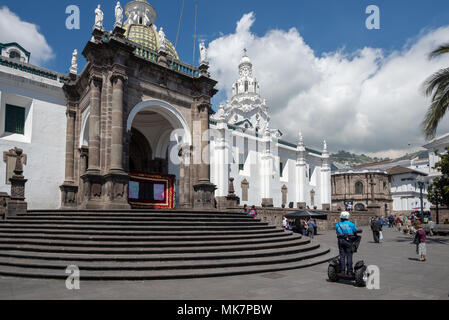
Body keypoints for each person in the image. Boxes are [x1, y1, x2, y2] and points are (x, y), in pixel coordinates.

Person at [336, 212, 360, 276]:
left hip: (340, 240)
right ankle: (349, 271)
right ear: (348, 217)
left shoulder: (337, 224)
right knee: (349, 255)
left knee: (342, 256)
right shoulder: (351, 224)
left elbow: (337, 232)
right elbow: (356, 230)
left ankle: (342, 271)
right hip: (348, 241)